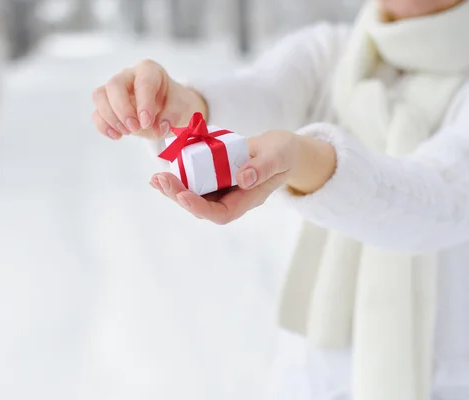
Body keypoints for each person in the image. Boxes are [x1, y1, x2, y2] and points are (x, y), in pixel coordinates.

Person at [91, 0, 469, 398]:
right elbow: (262, 96)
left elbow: (441, 200)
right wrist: (187, 108)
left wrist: (310, 162)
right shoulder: (331, 52)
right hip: (309, 377)